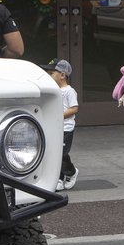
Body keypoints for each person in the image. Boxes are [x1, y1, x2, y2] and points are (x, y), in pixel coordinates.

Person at [44, 58, 79, 191]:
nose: (48, 76)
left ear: (62, 75)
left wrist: (58, 116)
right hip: (54, 127)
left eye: (51, 73)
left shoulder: (69, 91)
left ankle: (71, 172)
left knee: (61, 154)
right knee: (54, 153)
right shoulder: (53, 91)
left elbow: (74, 108)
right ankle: (58, 178)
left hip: (66, 128)